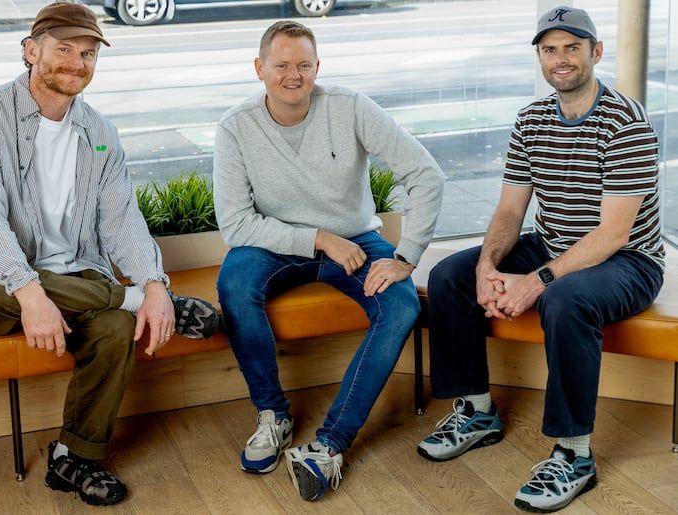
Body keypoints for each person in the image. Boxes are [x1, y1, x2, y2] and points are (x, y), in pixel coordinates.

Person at [0, 2, 218, 506]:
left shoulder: (99, 133)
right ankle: (127, 300)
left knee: (114, 328)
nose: (77, 62)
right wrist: (30, 293)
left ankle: (73, 458)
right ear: (31, 51)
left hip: (75, 281)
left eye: (88, 53)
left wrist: (154, 285)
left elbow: (122, 219)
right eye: (64, 49)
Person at [417, 6, 664, 513]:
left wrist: (535, 281)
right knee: (449, 276)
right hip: (552, 244)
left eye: (572, 47)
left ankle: (574, 454)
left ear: (596, 52)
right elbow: (511, 210)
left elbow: (613, 233)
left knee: (565, 299)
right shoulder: (531, 120)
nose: (561, 59)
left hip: (629, 260)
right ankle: (477, 411)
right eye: (550, 49)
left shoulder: (626, 122)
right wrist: (487, 267)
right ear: (540, 58)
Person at [213, 20, 444, 502]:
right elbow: (235, 225)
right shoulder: (235, 127)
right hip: (276, 245)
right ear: (259, 68)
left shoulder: (351, 107)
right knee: (234, 282)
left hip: (356, 240)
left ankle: (330, 445)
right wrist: (319, 238)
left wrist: (406, 256)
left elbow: (426, 174)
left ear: (318, 66)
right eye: (281, 65)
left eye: (304, 64)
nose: (293, 75)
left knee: (401, 304)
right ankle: (272, 415)